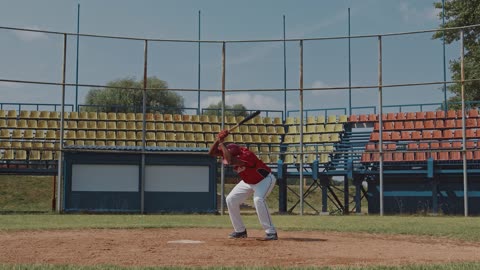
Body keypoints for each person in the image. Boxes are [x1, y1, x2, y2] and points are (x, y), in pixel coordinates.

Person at [209, 129, 278, 241]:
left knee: (258, 200)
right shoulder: (230, 152)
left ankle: (271, 232)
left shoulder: (247, 155)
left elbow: (230, 160)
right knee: (231, 199)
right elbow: (211, 153)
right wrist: (218, 140)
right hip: (248, 182)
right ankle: (240, 231)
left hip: (264, 180)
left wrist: (222, 143)